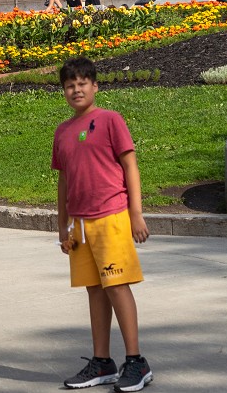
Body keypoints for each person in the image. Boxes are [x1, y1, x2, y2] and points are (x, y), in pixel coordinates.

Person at [53, 56, 152, 392]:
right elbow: (64, 180)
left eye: (82, 83)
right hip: (79, 224)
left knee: (116, 286)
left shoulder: (110, 120)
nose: (76, 89)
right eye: (70, 85)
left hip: (110, 216)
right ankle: (102, 361)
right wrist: (62, 224)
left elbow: (130, 166)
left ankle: (136, 361)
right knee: (94, 289)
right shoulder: (63, 131)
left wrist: (136, 213)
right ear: (64, 91)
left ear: (95, 86)